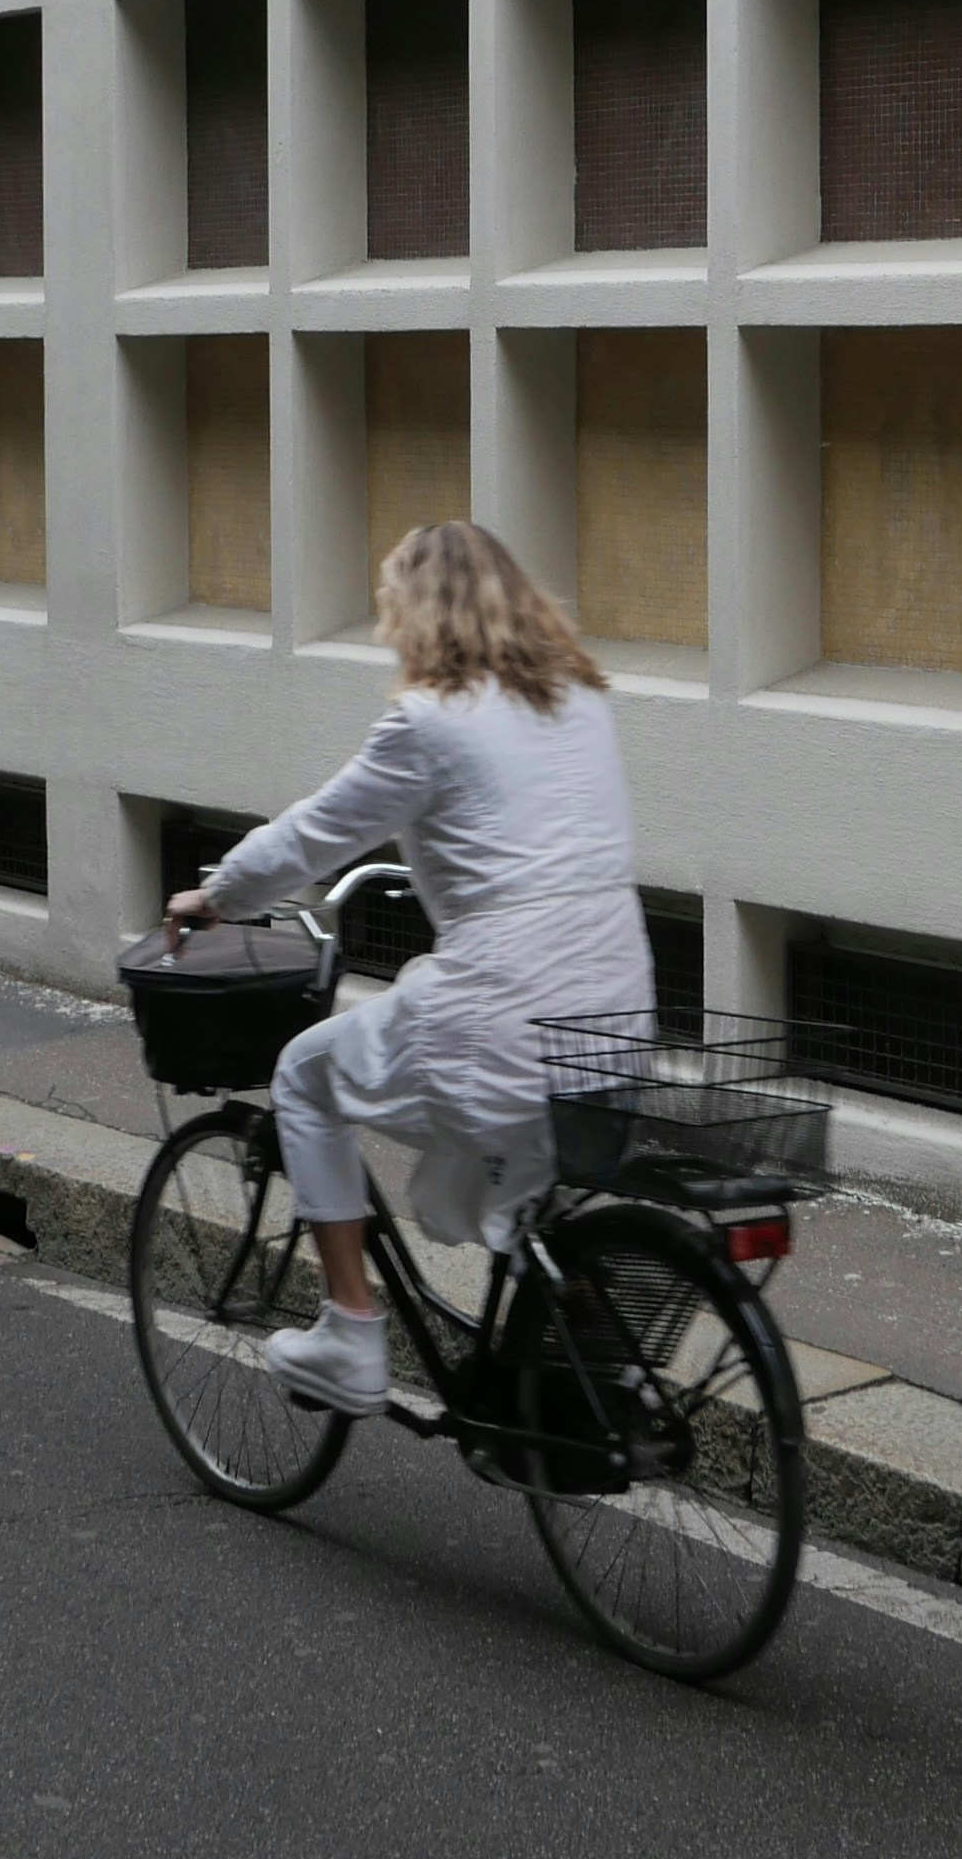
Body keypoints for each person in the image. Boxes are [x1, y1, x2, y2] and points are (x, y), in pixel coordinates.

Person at [165, 520, 651, 1416]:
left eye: (391, 605)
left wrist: (217, 896)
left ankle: (351, 1333)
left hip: (506, 1009)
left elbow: (313, 836)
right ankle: (547, 1366)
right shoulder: (583, 701)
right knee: (528, 1178)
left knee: (304, 1077)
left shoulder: (426, 723)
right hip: (615, 1017)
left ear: (418, 614)